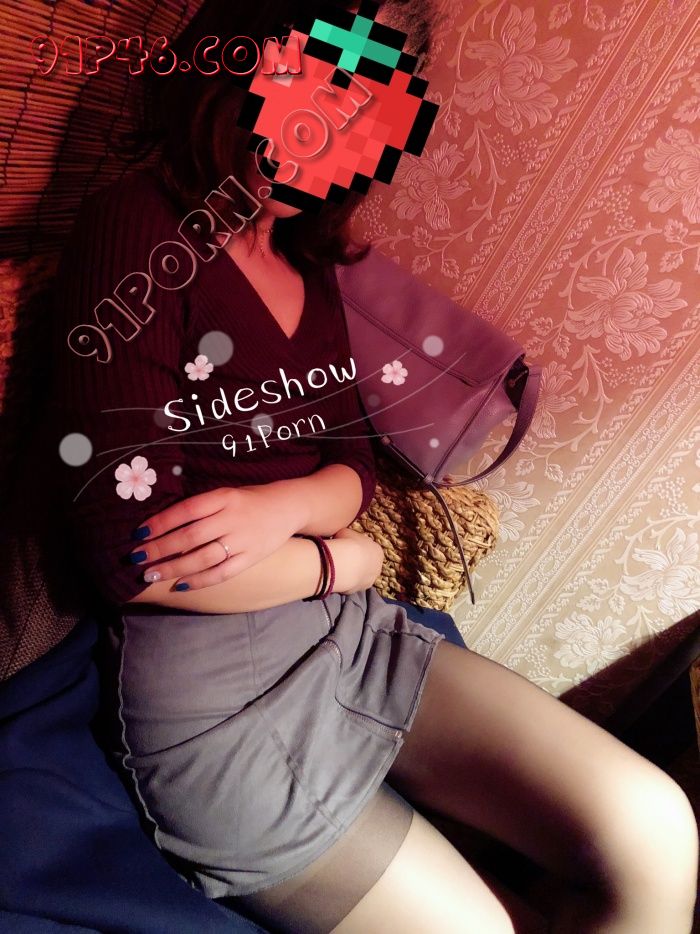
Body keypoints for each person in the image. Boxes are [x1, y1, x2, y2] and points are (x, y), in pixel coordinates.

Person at [47, 1, 698, 931]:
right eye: (320, 82)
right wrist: (335, 558)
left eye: (368, 108)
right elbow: (131, 558)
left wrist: (292, 508)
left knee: (657, 828)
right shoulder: (141, 227)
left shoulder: (304, 258)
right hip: (219, 696)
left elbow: (352, 454)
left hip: (351, 637)